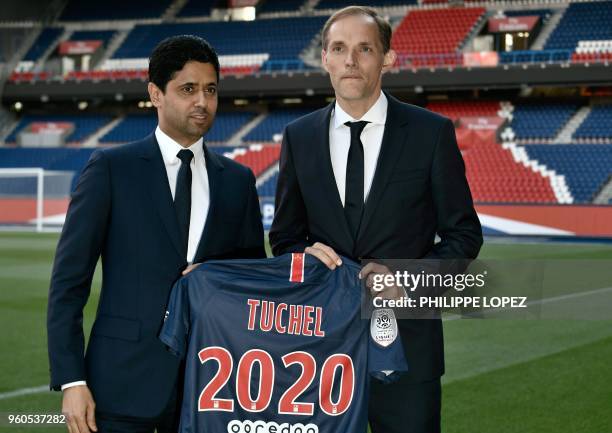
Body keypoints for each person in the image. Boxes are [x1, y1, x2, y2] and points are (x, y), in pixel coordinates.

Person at [269, 6, 482, 433]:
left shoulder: (430, 133)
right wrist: (306, 257)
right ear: (325, 58)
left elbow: (464, 234)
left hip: (407, 350)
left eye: (364, 48)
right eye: (339, 48)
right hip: (321, 349)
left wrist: (409, 280)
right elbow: (286, 237)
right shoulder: (299, 137)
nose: (350, 60)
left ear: (387, 59)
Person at [47, 35, 266, 433]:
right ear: (155, 94)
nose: (202, 101)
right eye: (188, 89)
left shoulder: (238, 181)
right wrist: (72, 380)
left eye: (211, 90)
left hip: (210, 387)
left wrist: (217, 276)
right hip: (119, 386)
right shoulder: (112, 169)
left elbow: (251, 278)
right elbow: (68, 281)